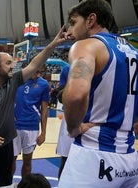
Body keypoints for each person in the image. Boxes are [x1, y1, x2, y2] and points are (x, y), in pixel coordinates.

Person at [0, 27, 67, 188]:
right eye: (8, 63)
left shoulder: (13, 82)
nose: (13, 66)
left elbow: (34, 64)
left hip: (6, 144)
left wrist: (52, 44)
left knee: (6, 182)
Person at [59, 0, 138, 187]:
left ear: (90, 20)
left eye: (73, 22)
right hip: (130, 158)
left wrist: (73, 128)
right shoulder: (134, 52)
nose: (70, 30)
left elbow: (76, 94)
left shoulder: (87, 46)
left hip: (94, 156)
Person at [12, 61, 49, 178]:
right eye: (36, 71)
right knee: (10, 160)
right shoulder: (16, 79)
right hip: (14, 126)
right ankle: (7, 184)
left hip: (32, 127)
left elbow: (44, 110)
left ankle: (25, 185)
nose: (38, 74)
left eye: (40, 72)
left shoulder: (44, 84)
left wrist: (43, 133)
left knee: (27, 161)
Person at [54, 65, 74, 179]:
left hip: (90, 120)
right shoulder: (68, 68)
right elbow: (61, 95)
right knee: (66, 159)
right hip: (71, 117)